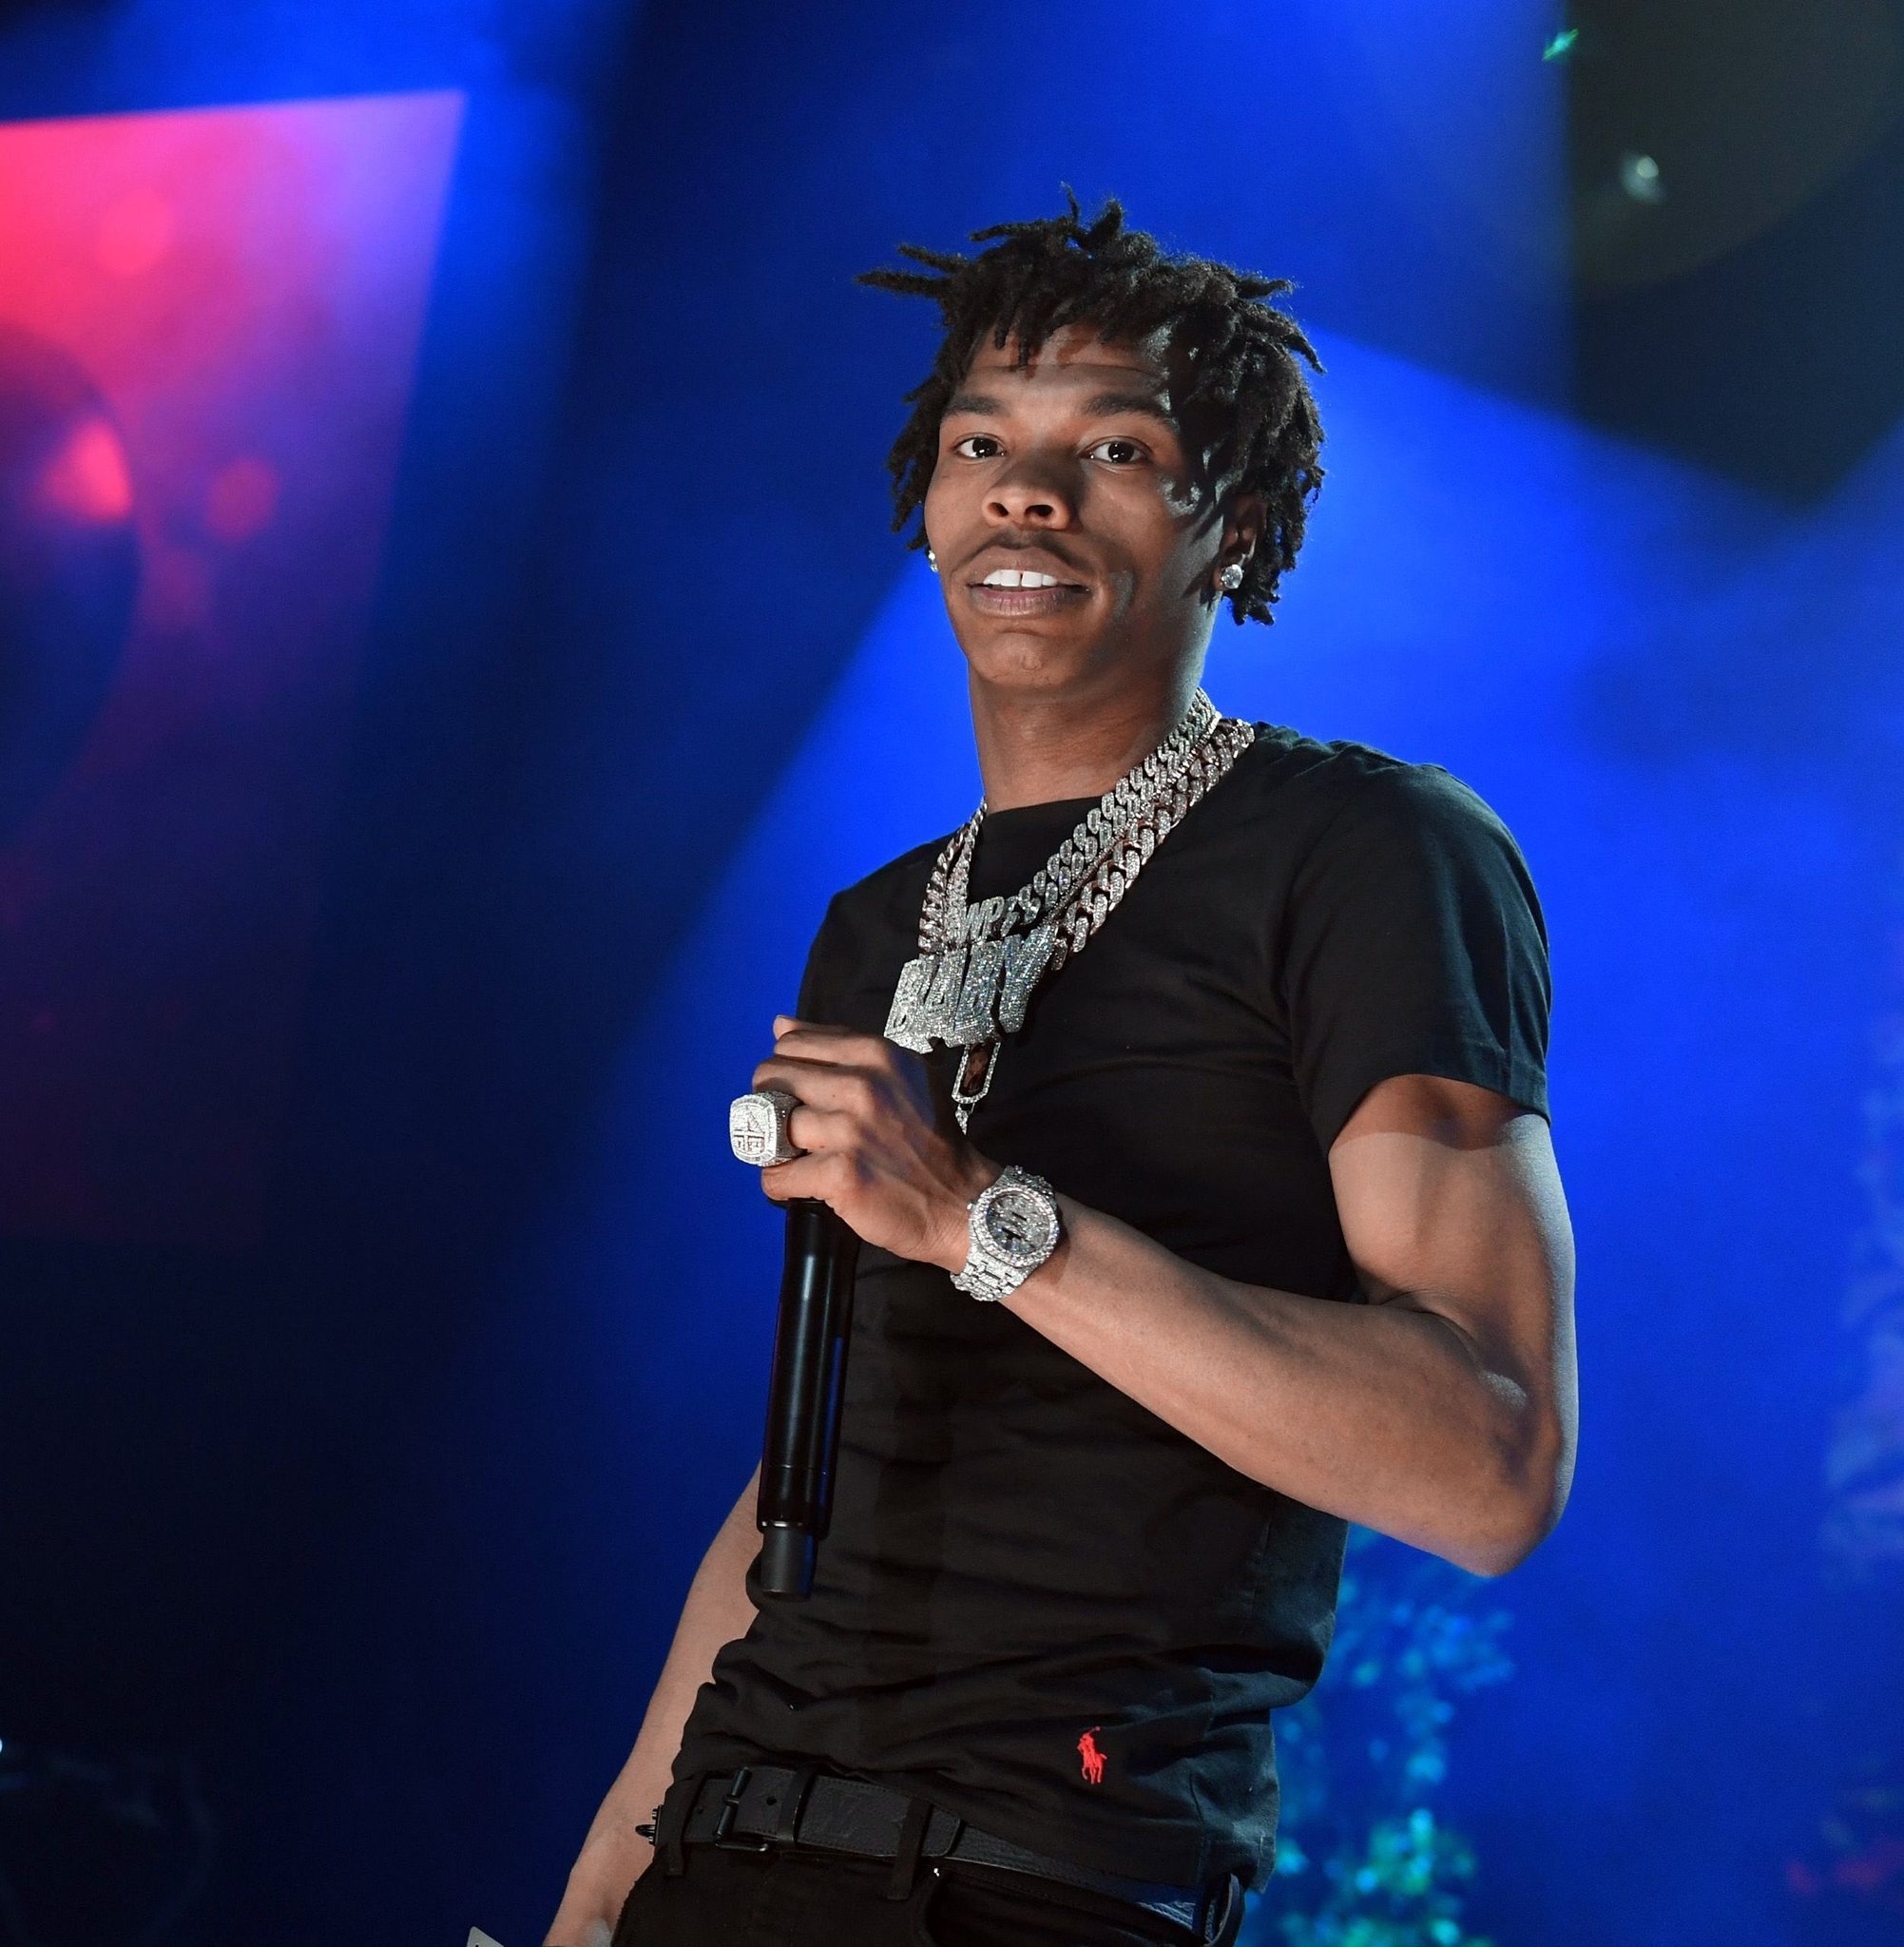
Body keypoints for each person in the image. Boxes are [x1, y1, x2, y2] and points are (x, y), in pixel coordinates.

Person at [546, 195, 1577, 1947]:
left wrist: (979, 1219)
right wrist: (602, 1888)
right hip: (732, 1841)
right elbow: (816, 1453)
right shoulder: (873, 928)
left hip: (1040, 1878)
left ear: (1234, 521)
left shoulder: (1369, 854)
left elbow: (1489, 1468)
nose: (1027, 491)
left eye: (1115, 447)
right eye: (982, 443)